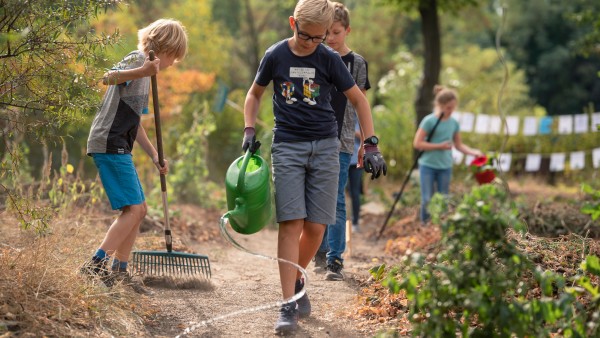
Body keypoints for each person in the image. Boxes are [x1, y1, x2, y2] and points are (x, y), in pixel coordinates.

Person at [241, 0, 386, 333]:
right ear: (292, 23)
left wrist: (371, 143)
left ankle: (296, 279)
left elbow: (359, 100)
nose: (311, 43)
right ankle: (287, 304)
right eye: (305, 35)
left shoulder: (329, 58)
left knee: (317, 227)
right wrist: (249, 128)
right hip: (288, 146)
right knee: (291, 223)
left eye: (319, 38)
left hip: (325, 146)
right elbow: (254, 94)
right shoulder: (275, 54)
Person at [81, 19, 188, 287]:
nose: (173, 64)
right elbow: (108, 77)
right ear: (164, 47)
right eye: (173, 57)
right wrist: (142, 70)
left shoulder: (145, 75)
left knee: (139, 210)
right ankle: (95, 265)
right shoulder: (137, 59)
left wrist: (154, 155)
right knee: (135, 209)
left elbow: (135, 123)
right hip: (109, 142)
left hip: (120, 144)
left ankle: (119, 270)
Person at [314, 2, 370, 282]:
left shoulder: (357, 63)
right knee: (315, 196)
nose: (331, 38)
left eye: (336, 32)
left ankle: (336, 258)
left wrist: (366, 142)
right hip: (314, 136)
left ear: (347, 30)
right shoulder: (316, 55)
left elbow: (361, 104)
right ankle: (320, 250)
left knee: (335, 198)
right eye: (327, 33)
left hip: (343, 139)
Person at [413, 85, 483, 224]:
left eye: (453, 107)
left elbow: (459, 145)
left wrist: (473, 152)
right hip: (428, 165)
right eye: (448, 108)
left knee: (444, 199)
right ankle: (424, 226)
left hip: (445, 166)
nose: (451, 111)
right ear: (440, 105)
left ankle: (439, 227)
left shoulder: (454, 123)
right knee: (427, 199)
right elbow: (417, 143)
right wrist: (439, 146)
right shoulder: (429, 121)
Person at [347, 121, 364, 233]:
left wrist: (353, 132)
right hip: (340, 159)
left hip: (356, 160)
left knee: (355, 192)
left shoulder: (358, 118)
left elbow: (368, 136)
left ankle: (355, 222)